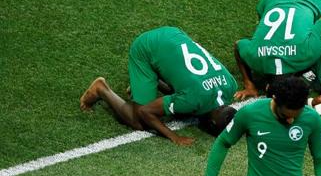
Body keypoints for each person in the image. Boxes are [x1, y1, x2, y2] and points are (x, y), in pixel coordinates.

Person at [80, 26, 237, 145]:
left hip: (174, 35)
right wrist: (174, 137)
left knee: (185, 107)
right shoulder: (192, 99)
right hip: (146, 47)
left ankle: (143, 85)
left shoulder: (231, 85)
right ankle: (101, 89)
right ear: (213, 123)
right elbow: (145, 112)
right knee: (138, 121)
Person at [234, 0, 321, 100]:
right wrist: (249, 84)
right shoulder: (254, 58)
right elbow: (238, 45)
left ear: (267, 87)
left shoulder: (307, 53)